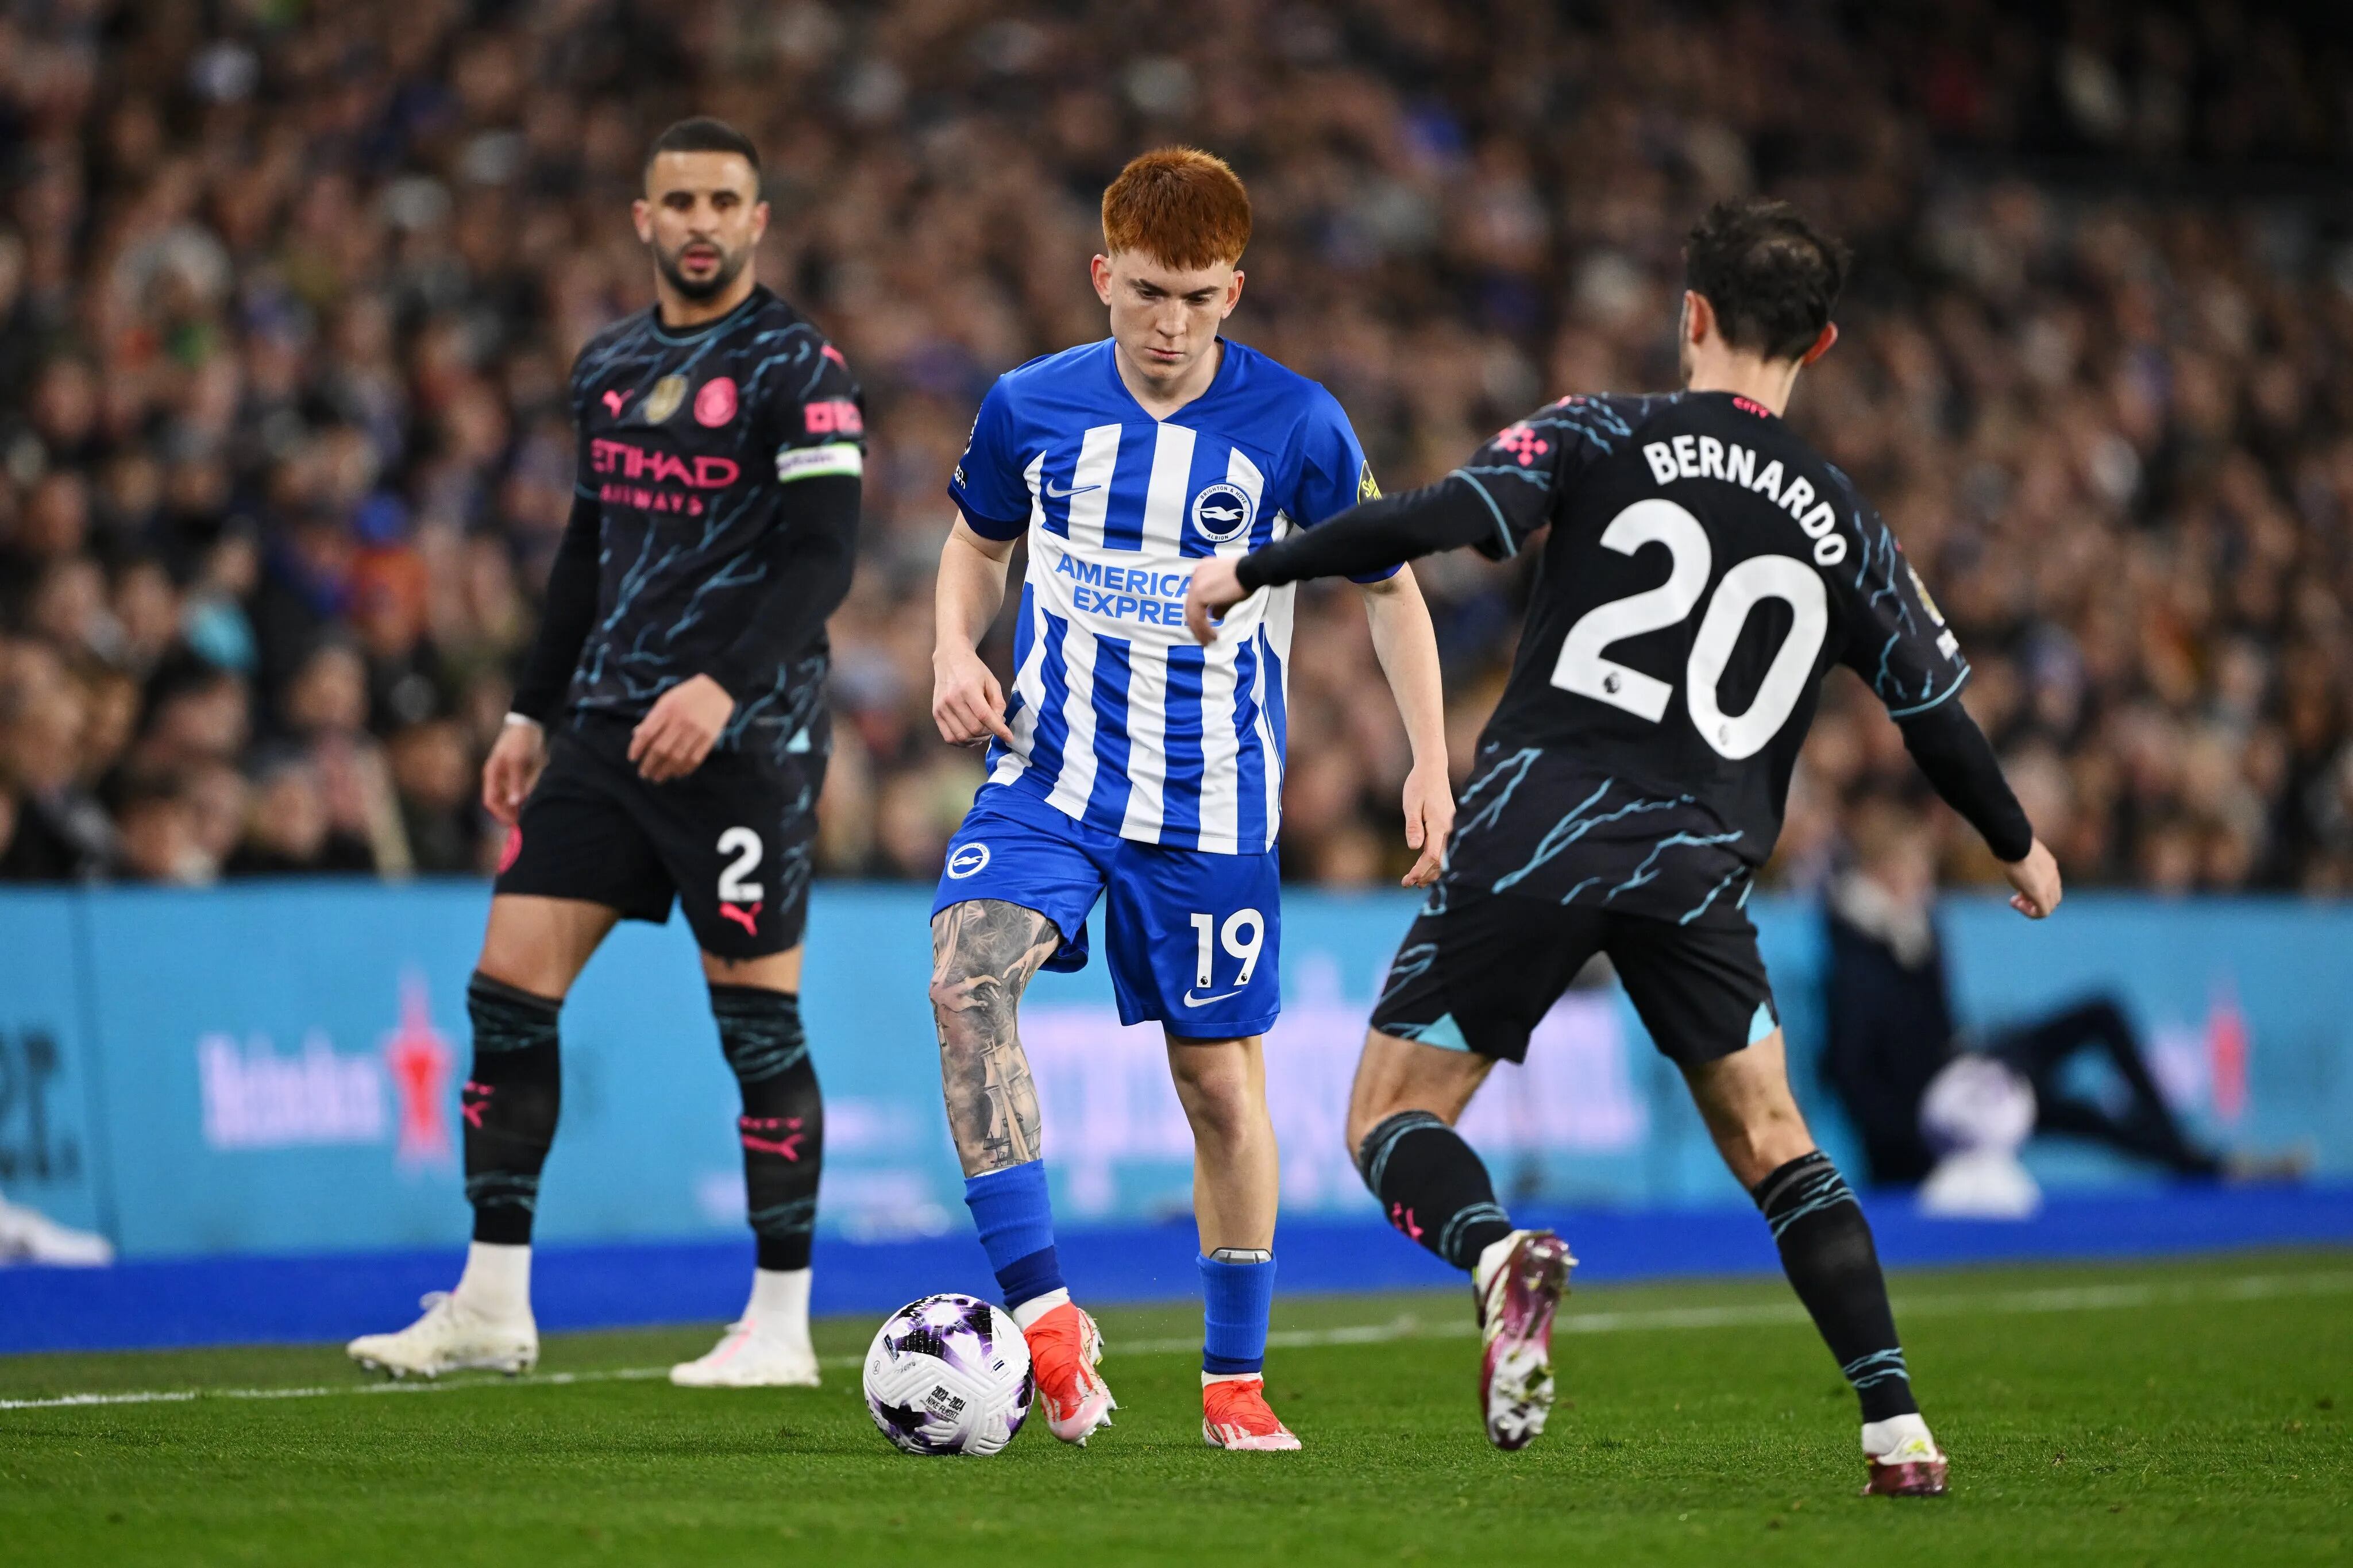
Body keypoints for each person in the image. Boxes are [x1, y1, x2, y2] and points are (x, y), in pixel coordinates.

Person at [1186, 198, 2065, 1495]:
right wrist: (2015, 843)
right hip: (1695, 867)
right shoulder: (1840, 516)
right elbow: (1931, 714)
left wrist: (1261, 568)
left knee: (1389, 1117)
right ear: (1820, 345)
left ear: (1691, 313)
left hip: (1538, 830)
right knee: (1777, 1142)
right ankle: (1898, 1428)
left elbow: (1433, 519)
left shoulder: (1601, 429)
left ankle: (1495, 1257)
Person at [927, 148, 1452, 1451]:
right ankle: (1045, 1317)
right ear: (1103, 275)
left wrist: (1432, 757)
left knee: (1219, 1088)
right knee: (963, 977)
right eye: (1150, 292)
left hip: (1212, 806)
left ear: (1237, 290)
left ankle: (1231, 1379)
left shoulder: (1299, 425)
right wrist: (951, 647)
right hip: (1049, 777)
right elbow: (977, 541)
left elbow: (1389, 585)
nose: (1172, 325)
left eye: (1202, 298)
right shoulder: (1027, 408)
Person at [347, 118, 863, 1387]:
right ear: (641, 218)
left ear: (757, 220)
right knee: (506, 994)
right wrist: (529, 710)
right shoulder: (610, 367)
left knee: (756, 1025)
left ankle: (781, 1325)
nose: (699, 220)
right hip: (600, 732)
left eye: (722, 200)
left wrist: (720, 688)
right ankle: (492, 1302)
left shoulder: (802, 367)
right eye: (676, 199)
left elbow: (822, 559)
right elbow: (588, 550)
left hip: (742, 744)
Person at [1823, 795, 2259, 1188]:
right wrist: (1916, 1140)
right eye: (1916, 861)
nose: (1925, 875)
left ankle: (2189, 1151)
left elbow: (1934, 1027)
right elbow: (1853, 1069)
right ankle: (2200, 1163)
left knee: (2099, 1017)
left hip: (1964, 1070)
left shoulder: (1918, 928)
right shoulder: (1856, 948)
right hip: (1939, 1113)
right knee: (2079, 1115)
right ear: (1884, 867)